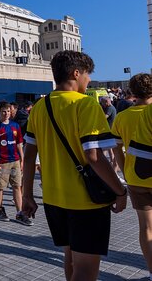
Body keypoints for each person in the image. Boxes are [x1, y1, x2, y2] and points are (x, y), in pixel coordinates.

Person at [22, 51, 127, 281]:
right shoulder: (86, 105)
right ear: (76, 73)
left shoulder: (40, 106)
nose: (88, 80)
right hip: (85, 202)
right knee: (86, 271)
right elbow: (94, 156)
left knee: (70, 261)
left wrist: (27, 194)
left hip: (53, 200)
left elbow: (29, 156)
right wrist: (120, 191)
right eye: (87, 75)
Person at [111, 74, 152, 279]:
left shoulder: (122, 117)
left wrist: (125, 169)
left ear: (132, 92)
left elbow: (117, 148)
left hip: (135, 177)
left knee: (145, 227)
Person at [0, 102, 31, 225]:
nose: (6, 113)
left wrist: (22, 160)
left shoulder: (15, 126)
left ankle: (19, 213)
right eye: (3, 111)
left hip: (15, 161)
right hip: (2, 162)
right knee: (0, 187)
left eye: (8, 111)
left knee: (17, 186)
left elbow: (19, 144)